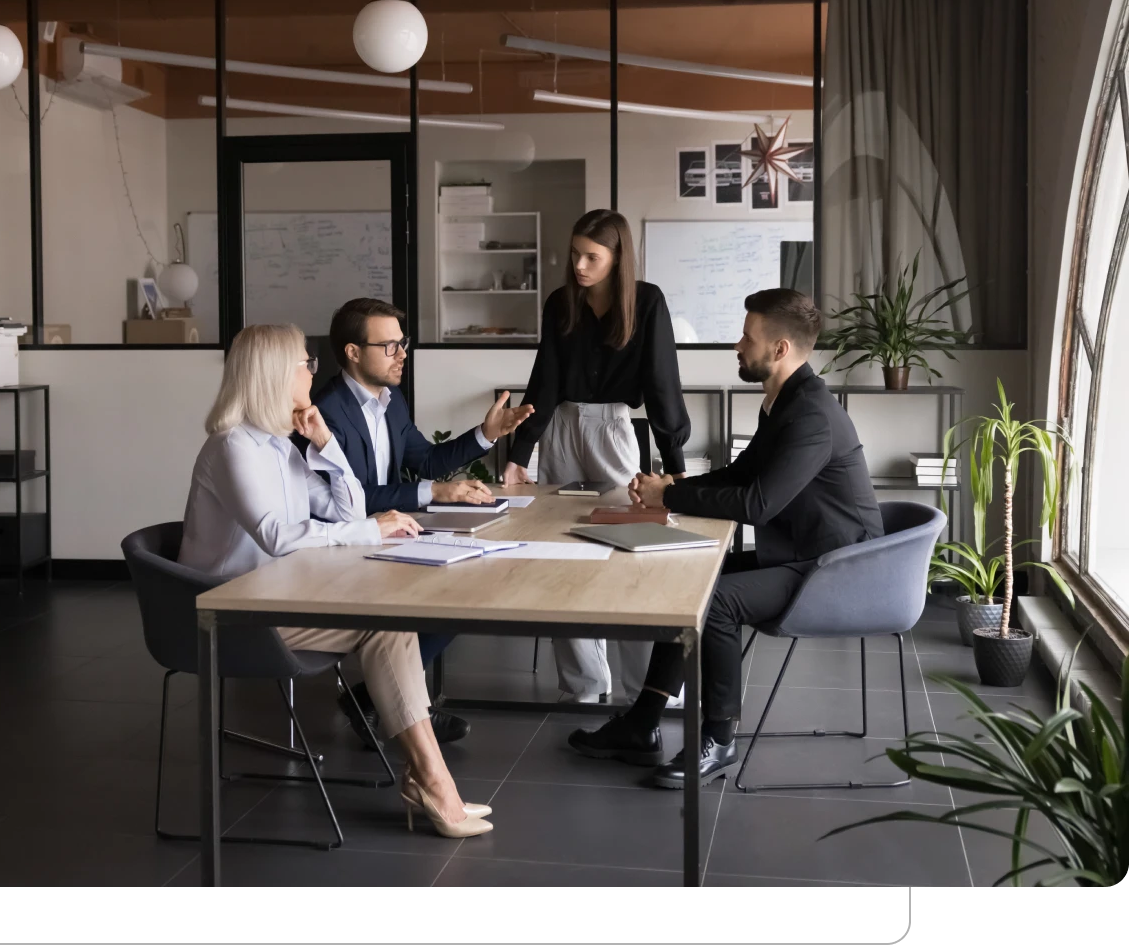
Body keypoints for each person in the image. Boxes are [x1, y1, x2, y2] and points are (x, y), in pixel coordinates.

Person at [178, 324, 492, 838]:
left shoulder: (279, 446)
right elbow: (276, 536)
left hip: (274, 601)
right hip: (230, 614)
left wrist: (325, 442)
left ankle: (432, 780)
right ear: (274, 374)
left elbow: (347, 508)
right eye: (306, 364)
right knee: (386, 626)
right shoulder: (232, 446)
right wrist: (371, 529)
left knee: (390, 624)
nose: (312, 373)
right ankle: (433, 783)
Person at [567, 289, 884, 789]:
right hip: (807, 554)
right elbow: (741, 474)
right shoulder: (785, 401)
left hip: (840, 572)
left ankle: (719, 739)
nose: (738, 346)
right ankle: (643, 722)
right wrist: (669, 489)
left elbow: (757, 504)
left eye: (747, 338)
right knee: (688, 583)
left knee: (714, 603)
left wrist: (669, 497)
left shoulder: (811, 415)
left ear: (780, 349)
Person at [308, 297, 534, 747]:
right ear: (353, 352)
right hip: (343, 542)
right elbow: (351, 500)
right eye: (389, 346)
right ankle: (402, 708)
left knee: (465, 586)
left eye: (402, 343)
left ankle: (376, 700)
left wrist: (486, 434)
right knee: (446, 596)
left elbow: (426, 459)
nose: (402, 355)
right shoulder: (328, 410)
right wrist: (435, 492)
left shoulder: (390, 402)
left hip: (387, 533)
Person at [504, 210, 691, 704]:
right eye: (575, 254)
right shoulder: (560, 303)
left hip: (612, 428)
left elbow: (662, 380)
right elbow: (545, 379)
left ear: (617, 257)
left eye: (592, 256)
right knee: (558, 551)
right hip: (561, 428)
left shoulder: (647, 302)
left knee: (630, 554)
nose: (579, 265)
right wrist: (521, 452)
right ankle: (583, 686)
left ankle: (645, 692)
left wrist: (674, 462)